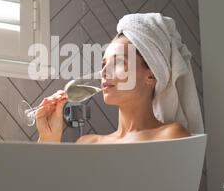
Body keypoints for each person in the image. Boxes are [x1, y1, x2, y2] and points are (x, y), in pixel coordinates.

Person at [36, 25, 193, 144]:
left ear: (151, 75)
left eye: (118, 62)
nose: (104, 72)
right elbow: (53, 187)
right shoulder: (88, 143)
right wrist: (48, 138)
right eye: (104, 64)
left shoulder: (172, 137)